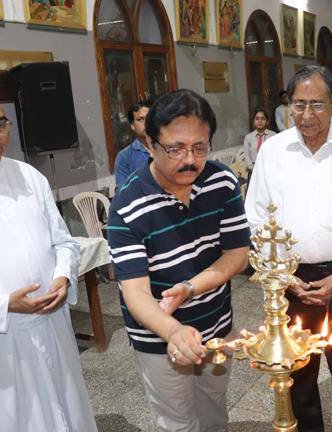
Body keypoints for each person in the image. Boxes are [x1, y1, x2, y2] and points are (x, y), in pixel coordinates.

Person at [245, 65, 332, 432]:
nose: (307, 115)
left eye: (317, 104)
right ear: (288, 106)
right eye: (299, 105)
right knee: (296, 377)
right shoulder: (273, 151)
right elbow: (255, 218)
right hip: (290, 282)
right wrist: (282, 275)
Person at [0, 89, 97, 431]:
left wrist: (63, 277)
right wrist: (3, 305)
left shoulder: (29, 176)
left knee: (67, 412)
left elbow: (63, 242)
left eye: (1, 124)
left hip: (50, 325)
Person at [107, 89, 250, 432]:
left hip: (215, 321)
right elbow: (136, 293)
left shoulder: (221, 182)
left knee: (214, 412)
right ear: (150, 144)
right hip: (159, 334)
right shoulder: (127, 205)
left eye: (200, 147)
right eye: (175, 149)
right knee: (178, 423)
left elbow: (237, 254)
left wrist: (190, 287)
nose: (189, 159)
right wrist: (173, 331)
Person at [115, 101, 152, 188]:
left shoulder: (168, 148)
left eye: (149, 118)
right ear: (132, 125)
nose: (146, 123)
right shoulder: (124, 157)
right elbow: (123, 191)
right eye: (140, 119)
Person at [242, 108, 276, 173]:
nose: (259, 121)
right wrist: (253, 169)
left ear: (267, 121)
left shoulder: (273, 135)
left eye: (263, 119)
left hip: (270, 169)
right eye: (257, 119)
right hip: (253, 170)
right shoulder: (248, 137)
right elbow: (246, 156)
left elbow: (276, 153)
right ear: (254, 121)